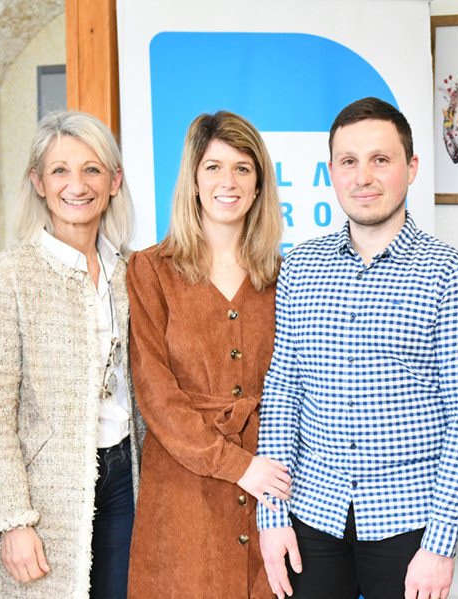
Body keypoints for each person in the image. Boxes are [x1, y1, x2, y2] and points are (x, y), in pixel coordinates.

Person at [256, 97, 458, 599]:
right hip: (312, 514)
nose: (364, 177)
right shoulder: (300, 267)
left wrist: (440, 545)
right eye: (348, 161)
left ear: (411, 167)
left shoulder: (451, 274)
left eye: (381, 159)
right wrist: (271, 516)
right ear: (331, 170)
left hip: (409, 524)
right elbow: (283, 394)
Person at [0, 111, 139, 598]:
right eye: (60, 170)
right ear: (38, 182)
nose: (77, 184)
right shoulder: (8, 275)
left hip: (127, 478)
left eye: (92, 169)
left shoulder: (134, 273)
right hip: (46, 489)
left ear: (114, 181)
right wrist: (11, 520)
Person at [127, 111, 285, 598]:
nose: (228, 181)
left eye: (242, 168)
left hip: (273, 490)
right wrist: (236, 464)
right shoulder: (150, 270)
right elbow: (154, 392)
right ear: (194, 180)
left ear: (259, 185)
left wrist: (261, 469)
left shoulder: (289, 273)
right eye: (214, 167)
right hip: (181, 491)